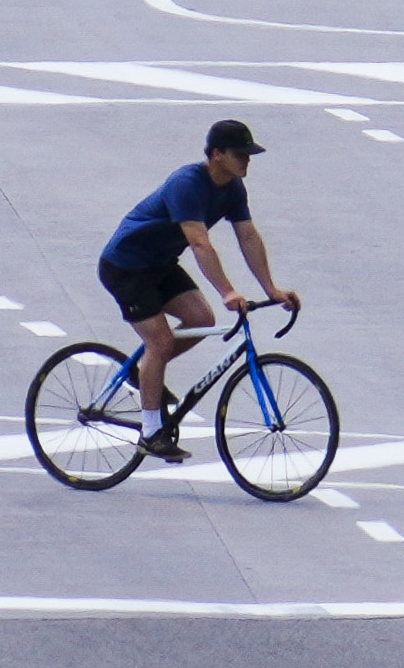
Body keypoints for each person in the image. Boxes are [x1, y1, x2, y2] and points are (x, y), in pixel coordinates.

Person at [97, 121, 292, 454]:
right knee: (159, 340)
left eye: (250, 154)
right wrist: (228, 292)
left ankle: (146, 376)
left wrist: (272, 289)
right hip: (126, 267)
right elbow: (200, 244)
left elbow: (247, 236)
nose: (247, 161)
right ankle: (150, 432)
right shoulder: (187, 184)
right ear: (217, 155)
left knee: (202, 319)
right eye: (240, 154)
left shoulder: (232, 188)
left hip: (159, 265)